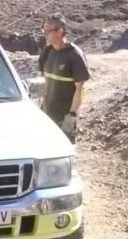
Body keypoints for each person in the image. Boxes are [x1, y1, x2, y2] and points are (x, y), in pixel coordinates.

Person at [38, 13, 90, 143]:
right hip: (47, 115)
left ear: (60, 31)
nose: (44, 34)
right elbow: (43, 83)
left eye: (47, 31)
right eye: (43, 30)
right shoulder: (46, 52)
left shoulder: (75, 55)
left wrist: (71, 116)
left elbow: (80, 89)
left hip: (64, 118)